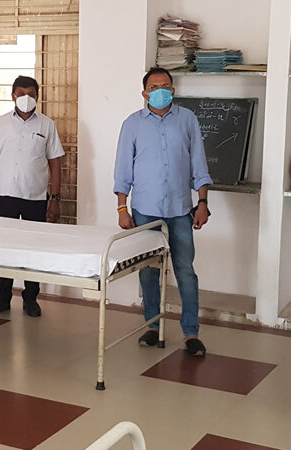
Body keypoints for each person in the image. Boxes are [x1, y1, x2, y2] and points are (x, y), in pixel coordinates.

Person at [113, 66, 211, 356]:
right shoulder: (132, 124)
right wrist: (122, 208)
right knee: (148, 271)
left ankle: (191, 333)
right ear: (144, 93)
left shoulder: (187, 119)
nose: (160, 91)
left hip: (180, 209)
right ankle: (152, 326)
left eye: (165, 86)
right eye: (153, 87)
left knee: (185, 270)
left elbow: (199, 164)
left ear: (173, 90)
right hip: (145, 210)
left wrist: (203, 202)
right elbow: (123, 169)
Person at [0, 75, 65, 318]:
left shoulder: (47, 125)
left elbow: (55, 163)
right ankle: (2, 297)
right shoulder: (1, 123)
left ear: (37, 96)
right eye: (21, 94)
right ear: (13, 96)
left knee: (33, 249)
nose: (25, 98)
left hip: (35, 197)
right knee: (4, 248)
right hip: (5, 195)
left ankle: (31, 298)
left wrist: (55, 199)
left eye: (30, 94)